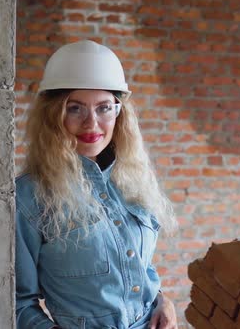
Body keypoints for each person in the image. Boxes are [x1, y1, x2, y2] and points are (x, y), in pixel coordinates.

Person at [15, 40, 179, 329]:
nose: (92, 124)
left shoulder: (132, 179)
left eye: (104, 108)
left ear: (119, 113)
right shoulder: (30, 197)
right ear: (54, 116)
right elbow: (17, 301)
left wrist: (162, 301)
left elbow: (136, 266)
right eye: (75, 109)